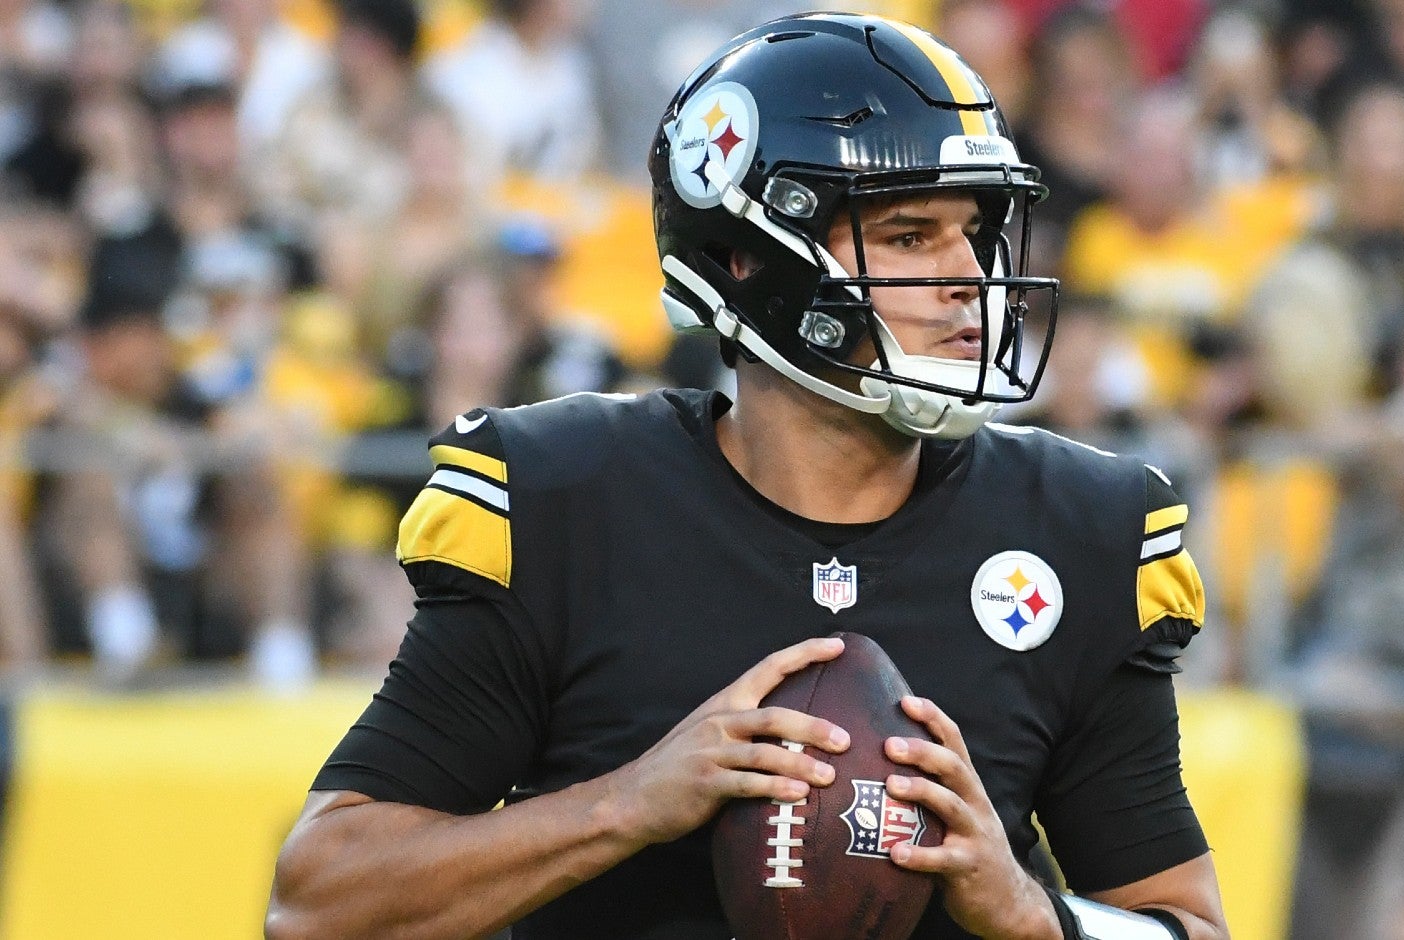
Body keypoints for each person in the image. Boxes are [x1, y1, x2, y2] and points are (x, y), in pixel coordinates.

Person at [267, 14, 1226, 940]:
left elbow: (1187, 927)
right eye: (907, 235)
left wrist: (1029, 915)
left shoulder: (1078, 530)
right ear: (749, 260)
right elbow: (319, 905)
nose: (968, 276)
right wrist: (623, 806)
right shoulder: (568, 504)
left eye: (975, 232)